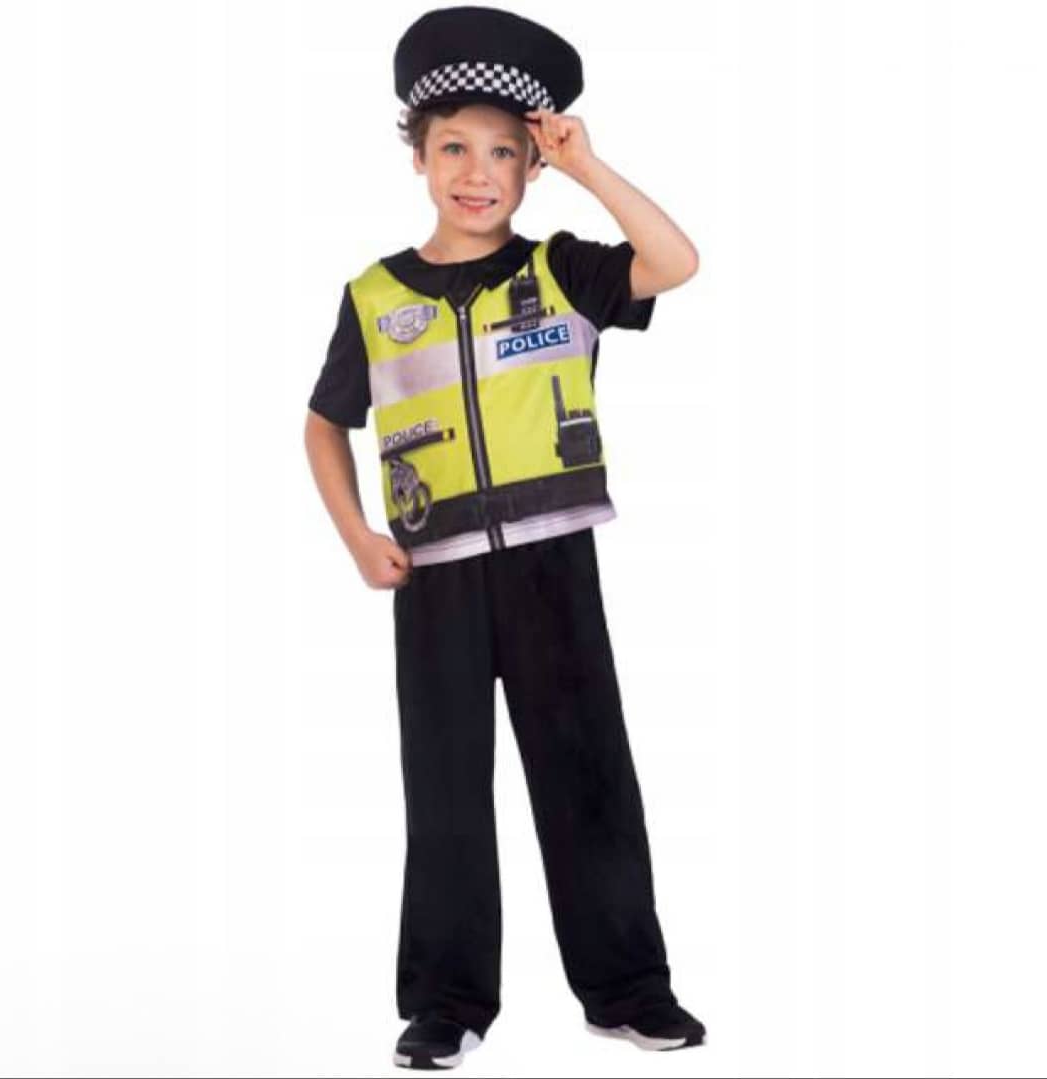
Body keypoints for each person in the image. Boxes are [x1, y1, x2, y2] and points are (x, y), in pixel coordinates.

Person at [304, 5, 706, 1070]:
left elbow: (676, 260)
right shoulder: (375, 295)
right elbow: (323, 421)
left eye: (502, 153)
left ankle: (628, 988)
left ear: (531, 167)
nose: (476, 173)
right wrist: (356, 536)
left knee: (587, 775)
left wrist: (589, 166)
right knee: (444, 791)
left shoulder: (566, 272)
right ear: (419, 157)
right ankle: (446, 1002)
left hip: (550, 565)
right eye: (453, 149)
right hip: (432, 575)